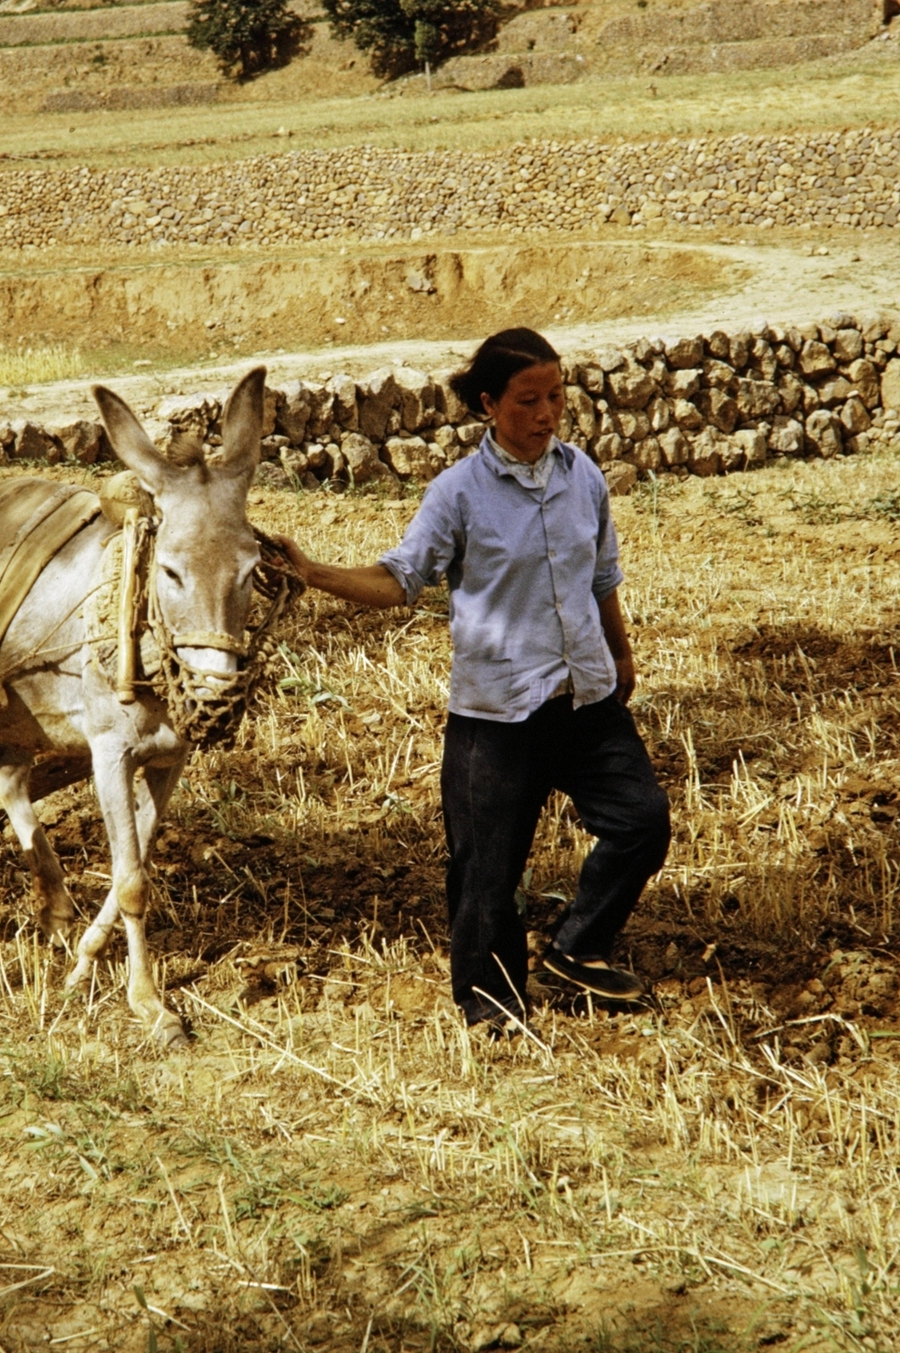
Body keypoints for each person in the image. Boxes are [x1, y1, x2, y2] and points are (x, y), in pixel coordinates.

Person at [275, 328, 672, 1034]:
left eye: (556, 396)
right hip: (498, 715)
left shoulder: (583, 475)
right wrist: (313, 573)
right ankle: (491, 1004)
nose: (547, 413)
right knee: (486, 870)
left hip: (584, 695)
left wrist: (622, 655)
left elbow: (602, 575)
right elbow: (400, 581)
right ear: (489, 404)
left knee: (642, 822)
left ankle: (578, 948)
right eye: (528, 400)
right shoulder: (457, 494)